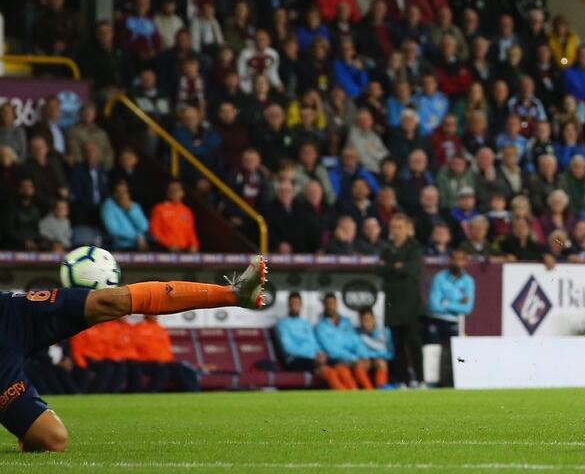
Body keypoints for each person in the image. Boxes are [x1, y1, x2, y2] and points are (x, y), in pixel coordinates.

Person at [0, 254, 266, 451]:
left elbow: (110, 302)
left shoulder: (16, 312)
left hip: (7, 330)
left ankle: (233, 294)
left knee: (52, 439)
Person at [378, 214, 424, 387]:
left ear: (407, 228)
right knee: (397, 346)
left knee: (414, 343)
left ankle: (420, 380)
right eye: (393, 227)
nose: (396, 231)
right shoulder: (387, 248)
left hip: (410, 304)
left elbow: (410, 269)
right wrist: (395, 267)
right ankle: (403, 380)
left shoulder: (414, 247)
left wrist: (390, 267)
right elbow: (379, 270)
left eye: (399, 227)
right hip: (393, 303)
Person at [275, 292, 351, 391]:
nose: (295, 306)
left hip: (314, 358)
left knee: (340, 366)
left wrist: (320, 353)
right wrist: (313, 355)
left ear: (301, 305)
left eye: (297, 303)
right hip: (295, 359)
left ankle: (354, 392)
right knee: (327, 371)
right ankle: (344, 395)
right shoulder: (282, 324)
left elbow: (313, 342)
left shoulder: (305, 323)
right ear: (288, 305)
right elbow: (288, 348)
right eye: (292, 303)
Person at [423, 249, 475, 387]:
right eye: (454, 259)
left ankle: (453, 382)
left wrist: (446, 303)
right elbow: (434, 305)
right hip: (437, 320)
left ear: (465, 262)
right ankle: (433, 382)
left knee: (454, 353)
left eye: (461, 259)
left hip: (455, 322)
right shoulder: (439, 278)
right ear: (450, 260)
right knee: (435, 351)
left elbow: (467, 308)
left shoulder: (468, 281)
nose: (457, 262)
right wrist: (457, 304)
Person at [314, 293, 368, 390]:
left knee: (362, 367)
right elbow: (330, 349)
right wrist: (353, 359)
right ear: (324, 306)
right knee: (342, 369)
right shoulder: (320, 327)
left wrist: (363, 356)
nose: (331, 306)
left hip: (351, 359)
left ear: (336, 305)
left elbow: (356, 341)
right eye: (328, 304)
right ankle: (352, 394)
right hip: (333, 360)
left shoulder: (346, 322)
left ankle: (371, 392)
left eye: (333, 303)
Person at [148, 180, 199, 252]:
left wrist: (194, 245)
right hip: (165, 250)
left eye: (177, 190)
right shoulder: (159, 209)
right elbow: (154, 231)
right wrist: (168, 244)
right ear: (167, 193)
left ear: (182, 193)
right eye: (172, 190)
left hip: (185, 251)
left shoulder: (187, 211)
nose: (174, 192)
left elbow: (190, 231)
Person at [355, 308, 392, 388]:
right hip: (366, 360)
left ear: (374, 318)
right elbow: (357, 349)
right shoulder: (357, 333)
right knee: (358, 365)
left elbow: (390, 352)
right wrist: (366, 358)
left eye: (368, 319)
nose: (366, 323)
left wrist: (377, 356)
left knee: (381, 363)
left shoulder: (385, 331)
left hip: (381, 359)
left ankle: (381, 389)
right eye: (363, 320)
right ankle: (369, 390)